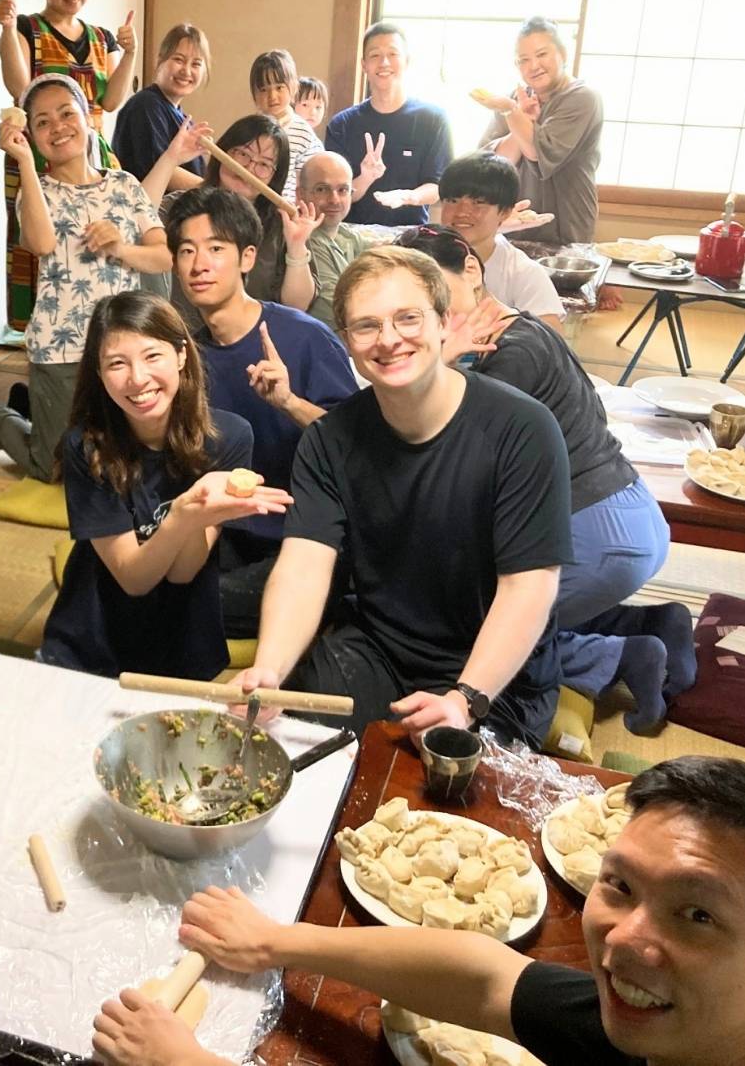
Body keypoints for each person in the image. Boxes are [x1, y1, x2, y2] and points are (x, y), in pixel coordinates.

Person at [100, 755, 745, 1066]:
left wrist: (188, 1065)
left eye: (698, 916)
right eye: (621, 886)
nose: (625, 939)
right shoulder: (653, 1025)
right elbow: (490, 978)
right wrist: (277, 943)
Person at [234, 246, 572, 747]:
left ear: (443, 323)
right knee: (296, 752)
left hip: (496, 680)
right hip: (379, 652)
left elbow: (529, 586)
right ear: (347, 342)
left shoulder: (522, 429)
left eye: (408, 318)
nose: (389, 339)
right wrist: (269, 668)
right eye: (366, 326)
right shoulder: (330, 439)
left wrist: (464, 701)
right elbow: (304, 564)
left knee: (442, 806)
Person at [400, 226, 689, 731]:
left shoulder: (509, 355)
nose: (432, 314)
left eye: (435, 294)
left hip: (596, 532)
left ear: (471, 269)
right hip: (627, 515)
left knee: (460, 634)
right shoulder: (524, 329)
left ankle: (622, 655)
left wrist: (438, 361)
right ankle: (650, 623)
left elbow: (439, 456)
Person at [39, 292, 292, 679]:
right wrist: (184, 512)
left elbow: (183, 573)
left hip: (183, 640)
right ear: (98, 372)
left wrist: (196, 516)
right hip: (95, 639)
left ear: (181, 355)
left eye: (152, 356)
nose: (137, 379)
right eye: (117, 364)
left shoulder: (230, 438)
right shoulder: (87, 447)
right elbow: (133, 578)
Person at [168, 187, 356, 637]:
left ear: (247, 258)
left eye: (216, 249)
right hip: (227, 532)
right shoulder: (188, 355)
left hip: (304, 541)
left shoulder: (303, 337)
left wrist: (289, 402)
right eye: (187, 251)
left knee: (187, 607)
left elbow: (360, 447)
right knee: (129, 574)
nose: (199, 264)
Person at [0, 76, 170, 481]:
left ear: (87, 120)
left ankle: (35, 404)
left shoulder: (124, 185)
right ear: (31, 135)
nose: (57, 126)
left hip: (121, 350)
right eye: (42, 122)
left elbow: (163, 258)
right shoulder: (35, 190)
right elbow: (40, 244)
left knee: (122, 463)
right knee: (54, 469)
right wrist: (23, 161)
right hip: (62, 348)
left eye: (66, 113)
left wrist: (121, 248)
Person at [0, 0, 137, 330]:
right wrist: (7, 29)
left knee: (95, 250)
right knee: (41, 255)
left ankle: (99, 337)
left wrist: (131, 53)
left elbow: (110, 103)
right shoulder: (28, 29)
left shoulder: (101, 37)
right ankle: (40, 343)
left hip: (92, 161)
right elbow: (20, 87)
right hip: (37, 160)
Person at [145, 114, 319, 326]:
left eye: (264, 164)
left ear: (276, 177)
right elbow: (134, 218)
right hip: (179, 340)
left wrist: (297, 246)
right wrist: (171, 158)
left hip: (254, 343)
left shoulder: (283, 223)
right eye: (242, 154)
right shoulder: (181, 206)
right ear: (223, 152)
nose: (249, 168)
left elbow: (297, 305)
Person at [476, 15, 603, 250]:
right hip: (514, 226)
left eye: (542, 55)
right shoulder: (515, 98)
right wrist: (517, 118)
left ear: (563, 55)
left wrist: (512, 112)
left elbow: (537, 151)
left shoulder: (582, 98)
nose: (533, 66)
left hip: (566, 230)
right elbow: (492, 165)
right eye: (524, 59)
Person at [325, 22, 454, 227]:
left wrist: (408, 196)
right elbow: (334, 196)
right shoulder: (342, 125)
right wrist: (366, 178)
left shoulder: (433, 120)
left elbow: (438, 187)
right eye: (375, 55)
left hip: (409, 237)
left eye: (393, 54)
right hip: (352, 234)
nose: (384, 62)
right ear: (364, 65)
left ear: (407, 61)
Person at [438, 152, 565, 330]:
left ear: (505, 212)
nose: (462, 212)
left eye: (478, 202)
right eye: (452, 200)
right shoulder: (423, 257)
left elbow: (550, 338)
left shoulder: (522, 272)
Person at [111, 22, 211, 192]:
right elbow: (162, 171)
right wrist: (216, 193)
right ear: (160, 60)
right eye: (179, 60)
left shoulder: (185, 122)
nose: (186, 71)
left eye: (196, 64)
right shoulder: (146, 105)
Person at [300, 151, 388, 326]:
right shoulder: (306, 239)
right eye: (321, 189)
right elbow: (340, 314)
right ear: (301, 194)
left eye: (343, 190)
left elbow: (386, 251)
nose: (334, 199)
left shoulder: (345, 233)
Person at [249, 49, 322, 205]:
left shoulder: (303, 133)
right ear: (254, 95)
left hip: (285, 211)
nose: (272, 96)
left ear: (294, 87)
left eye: (279, 87)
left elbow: (311, 181)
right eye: (263, 89)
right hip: (249, 206)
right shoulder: (249, 128)